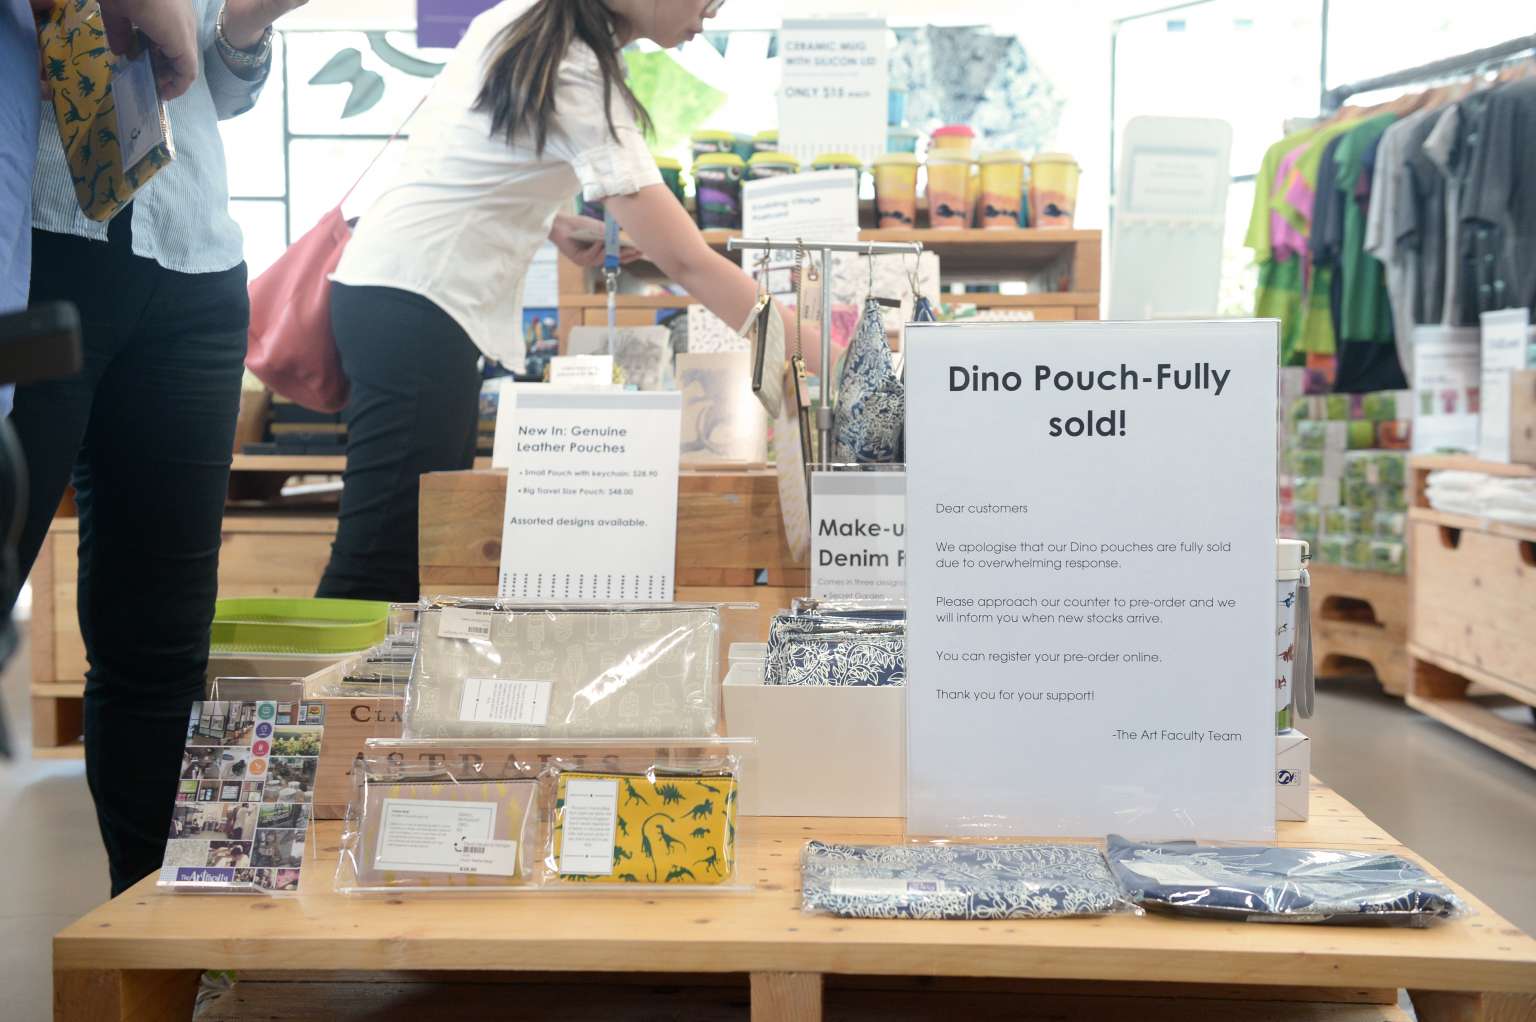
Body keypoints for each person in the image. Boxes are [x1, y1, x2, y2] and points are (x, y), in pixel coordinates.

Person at [323, 0, 801, 602]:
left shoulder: (522, 23)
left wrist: (551, 221)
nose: (711, 12)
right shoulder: (578, 71)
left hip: (400, 296)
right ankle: (313, 670)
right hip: (419, 308)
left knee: (407, 547)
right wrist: (821, 355)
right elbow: (685, 261)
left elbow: (471, 154)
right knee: (381, 557)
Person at [10, 0, 304, 898]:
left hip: (192, 259)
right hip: (34, 235)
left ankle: (157, 934)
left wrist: (247, 25)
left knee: (161, 646)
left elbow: (211, 91)